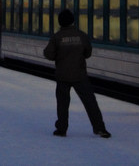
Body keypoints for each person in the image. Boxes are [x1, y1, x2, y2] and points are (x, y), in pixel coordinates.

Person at [43, 9, 111, 138]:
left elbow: (48, 54)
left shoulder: (57, 37)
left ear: (60, 22)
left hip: (62, 75)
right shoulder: (81, 35)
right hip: (80, 74)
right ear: (73, 21)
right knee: (90, 102)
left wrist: (60, 56)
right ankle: (100, 128)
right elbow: (88, 53)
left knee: (62, 104)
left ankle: (61, 129)